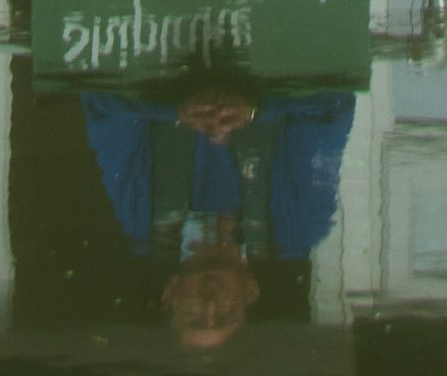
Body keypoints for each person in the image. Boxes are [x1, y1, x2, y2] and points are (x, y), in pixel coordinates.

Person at [79, 84, 356, 351]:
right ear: (250, 291)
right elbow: (333, 102)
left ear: (169, 293)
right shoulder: (301, 225)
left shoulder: (140, 216)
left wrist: (174, 110)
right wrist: (254, 110)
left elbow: (100, 102)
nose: (210, 304)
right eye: (226, 315)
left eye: (193, 316)